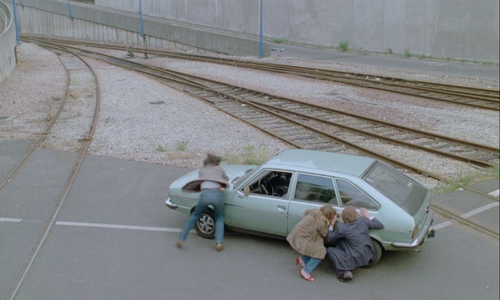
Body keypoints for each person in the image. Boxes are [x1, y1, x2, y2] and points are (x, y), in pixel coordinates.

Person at [175, 153, 229, 252]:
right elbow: (226, 180)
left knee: (194, 215)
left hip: (205, 194)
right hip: (217, 194)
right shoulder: (219, 169)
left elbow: (202, 182)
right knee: (219, 217)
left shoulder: (202, 170)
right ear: (217, 162)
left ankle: (181, 239)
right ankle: (219, 242)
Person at [325, 206, 384, 282]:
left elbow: (329, 239)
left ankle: (344, 272)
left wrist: (332, 225)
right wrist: (368, 216)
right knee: (343, 241)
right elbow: (380, 225)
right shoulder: (363, 220)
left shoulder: (342, 228)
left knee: (329, 250)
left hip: (355, 256)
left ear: (343, 218)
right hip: (368, 254)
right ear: (356, 215)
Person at [286, 205, 337, 282]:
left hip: (299, 235)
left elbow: (306, 212)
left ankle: (302, 260)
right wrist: (331, 224)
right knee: (321, 252)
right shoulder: (321, 222)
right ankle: (305, 271)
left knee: (314, 248)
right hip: (304, 239)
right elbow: (325, 234)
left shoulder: (315, 212)